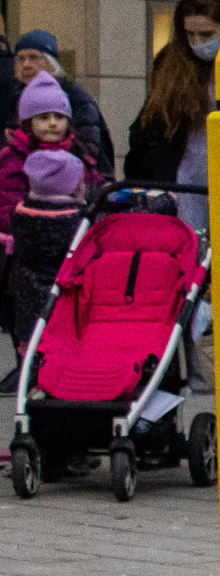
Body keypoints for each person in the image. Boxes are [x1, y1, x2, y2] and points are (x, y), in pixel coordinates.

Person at [126, 0, 220, 234]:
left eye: (206, 35)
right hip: (184, 175)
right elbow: (152, 127)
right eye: (190, 35)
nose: (196, 43)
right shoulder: (172, 63)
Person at [6, 149, 88, 358]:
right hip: (65, 303)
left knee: (34, 357)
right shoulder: (76, 220)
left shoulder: (21, 214)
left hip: (27, 300)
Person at [0, 72, 108, 220]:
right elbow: (6, 210)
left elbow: (98, 191)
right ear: (28, 122)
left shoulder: (76, 153)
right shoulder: (13, 159)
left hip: (73, 234)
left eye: (59, 116)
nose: (53, 123)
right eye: (43, 117)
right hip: (28, 235)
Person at [8, 32, 113, 173]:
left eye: (34, 57)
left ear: (52, 62)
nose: (26, 64)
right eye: (21, 58)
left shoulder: (76, 98)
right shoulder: (17, 99)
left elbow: (87, 151)